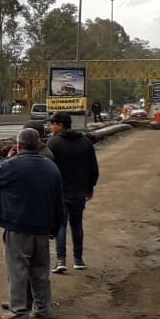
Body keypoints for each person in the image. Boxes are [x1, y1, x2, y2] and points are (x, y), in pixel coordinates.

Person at [0, 127, 64, 319]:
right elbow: (58, 202)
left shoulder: (13, 165)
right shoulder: (51, 167)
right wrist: (55, 227)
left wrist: (8, 158)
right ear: (38, 144)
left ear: (18, 146)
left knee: (18, 270)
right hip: (43, 227)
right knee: (40, 271)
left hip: (18, 226)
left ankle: (18, 311)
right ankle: (43, 309)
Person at [47, 111, 99, 273]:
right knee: (77, 224)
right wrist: (90, 187)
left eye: (52, 124)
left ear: (60, 125)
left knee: (61, 224)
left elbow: (47, 168)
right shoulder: (85, 142)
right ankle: (78, 259)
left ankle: (61, 260)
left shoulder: (54, 143)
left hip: (60, 191)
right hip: (79, 190)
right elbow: (93, 168)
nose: (51, 127)